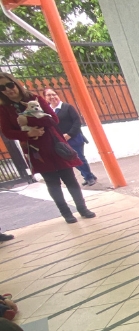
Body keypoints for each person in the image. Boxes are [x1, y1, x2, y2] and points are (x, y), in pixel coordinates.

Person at [0, 73, 95, 224]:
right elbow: (7, 132)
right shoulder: (4, 109)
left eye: (9, 85)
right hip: (35, 150)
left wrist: (27, 119)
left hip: (55, 145)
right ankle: (66, 213)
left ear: (15, 83)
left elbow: (53, 119)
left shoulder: (35, 98)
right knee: (52, 183)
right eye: (2, 88)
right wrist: (28, 133)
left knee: (70, 179)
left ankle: (82, 208)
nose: (8, 89)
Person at [43, 88, 97, 187]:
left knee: (79, 158)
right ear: (45, 98)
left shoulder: (67, 107)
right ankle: (88, 175)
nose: (52, 97)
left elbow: (77, 122)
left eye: (54, 94)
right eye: (49, 95)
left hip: (74, 138)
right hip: (60, 141)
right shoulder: (48, 111)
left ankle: (89, 177)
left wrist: (69, 134)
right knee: (69, 159)